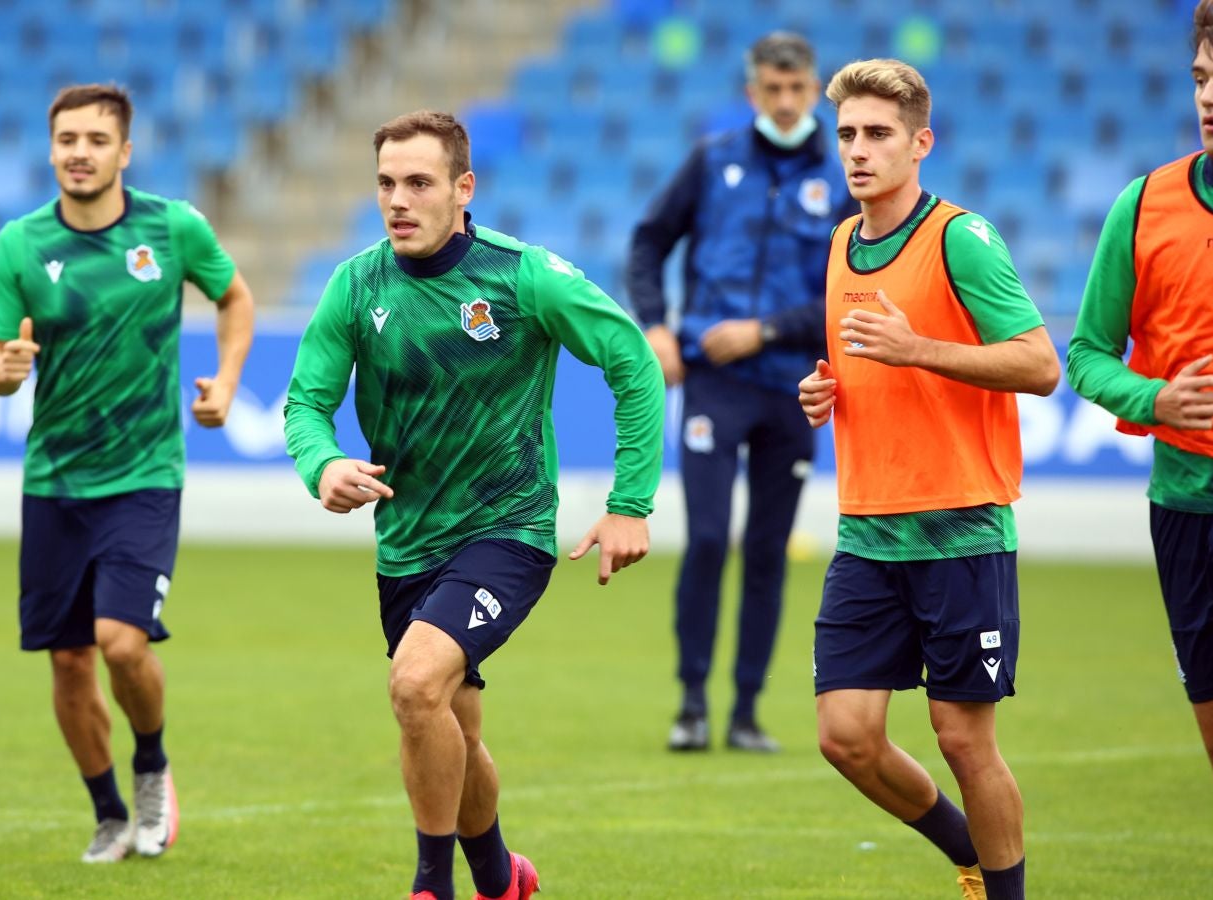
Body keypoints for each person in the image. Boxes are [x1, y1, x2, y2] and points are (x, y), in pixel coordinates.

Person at [283, 110, 664, 900]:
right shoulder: (356, 285)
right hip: (407, 543)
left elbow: (632, 360)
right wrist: (322, 466)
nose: (399, 200)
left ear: (464, 188)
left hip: (508, 531)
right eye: (386, 183)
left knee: (413, 686)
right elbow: (304, 404)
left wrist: (630, 502)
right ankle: (500, 878)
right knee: (452, 729)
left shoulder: (523, 277)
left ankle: (433, 887)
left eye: (419, 183)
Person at [797, 59, 1059, 899]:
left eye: (878, 134)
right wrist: (824, 391)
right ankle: (965, 848)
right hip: (868, 529)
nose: (859, 151)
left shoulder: (961, 238)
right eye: (847, 135)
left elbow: (1039, 364)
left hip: (960, 529)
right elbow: (864, 366)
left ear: (921, 142)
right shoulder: (842, 241)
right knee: (845, 737)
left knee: (963, 739)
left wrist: (917, 351)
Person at [0, 83, 255, 863]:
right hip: (54, 481)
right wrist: (5, 370)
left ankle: (153, 767)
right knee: (68, 661)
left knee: (121, 645)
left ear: (124, 152)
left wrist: (227, 380)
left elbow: (235, 298)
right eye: (67, 138)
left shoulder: (171, 227)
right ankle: (107, 814)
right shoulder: (21, 244)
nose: (79, 152)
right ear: (52, 148)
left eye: (96, 139)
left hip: (144, 474)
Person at [1067, 2, 1213, 896]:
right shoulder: (1147, 202)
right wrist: (1153, 397)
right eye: (1202, 78)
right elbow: (1084, 354)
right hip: (1184, 510)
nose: (1209, 97)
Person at [626, 31, 855, 753]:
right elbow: (646, 242)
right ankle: (692, 701)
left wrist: (765, 330)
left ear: (812, 88)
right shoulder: (712, 160)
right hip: (715, 384)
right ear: (753, 90)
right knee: (705, 540)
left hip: (794, 387)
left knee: (766, 549)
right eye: (772, 89)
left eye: (797, 89)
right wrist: (656, 327)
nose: (785, 102)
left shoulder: (842, 173)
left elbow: (853, 290)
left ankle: (747, 709)